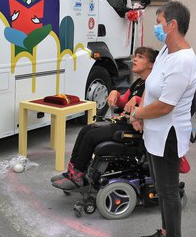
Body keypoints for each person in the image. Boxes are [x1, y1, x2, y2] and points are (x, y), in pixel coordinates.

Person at [129, 1, 196, 237]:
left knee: (168, 190)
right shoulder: (165, 52)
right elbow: (151, 85)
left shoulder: (182, 60)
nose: (156, 28)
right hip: (154, 131)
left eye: (159, 23)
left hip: (168, 133)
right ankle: (165, 229)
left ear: (172, 25)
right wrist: (141, 112)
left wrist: (137, 113)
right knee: (159, 186)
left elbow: (166, 106)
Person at [51, 46, 157, 190]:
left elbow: (152, 106)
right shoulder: (138, 83)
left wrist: (137, 100)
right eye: (135, 56)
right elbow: (123, 102)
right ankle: (73, 171)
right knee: (86, 130)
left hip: (133, 128)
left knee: (92, 136)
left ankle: (78, 175)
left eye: (140, 57)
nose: (134, 59)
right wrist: (115, 93)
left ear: (151, 64)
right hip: (122, 122)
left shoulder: (153, 85)